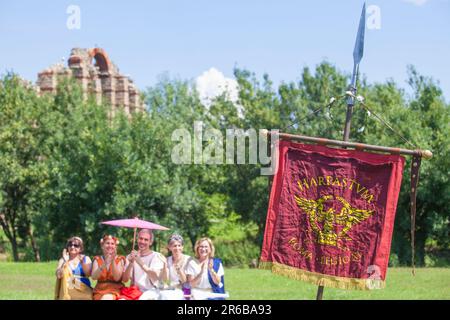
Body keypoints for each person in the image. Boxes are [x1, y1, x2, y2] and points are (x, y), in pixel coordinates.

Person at [121, 229, 166, 300]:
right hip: (134, 291)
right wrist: (131, 263)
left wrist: (139, 261)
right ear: (137, 239)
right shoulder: (131, 256)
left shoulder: (157, 256)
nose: (142, 241)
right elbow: (125, 280)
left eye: (146, 240)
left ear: (150, 242)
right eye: (140, 238)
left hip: (151, 291)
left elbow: (155, 276)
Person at [159, 234, 195, 300]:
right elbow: (165, 280)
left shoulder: (189, 260)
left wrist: (179, 270)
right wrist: (164, 264)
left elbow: (186, 282)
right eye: (174, 246)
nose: (177, 248)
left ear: (182, 247)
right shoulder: (167, 260)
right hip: (170, 290)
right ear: (169, 247)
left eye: (179, 245)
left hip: (184, 291)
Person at [91, 235, 126, 300]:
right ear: (102, 246)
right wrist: (104, 264)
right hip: (100, 290)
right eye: (107, 243)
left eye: (112, 244)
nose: (110, 246)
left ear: (115, 247)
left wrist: (112, 261)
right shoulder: (97, 259)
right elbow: (93, 277)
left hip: (116, 290)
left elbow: (117, 278)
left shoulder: (120, 259)